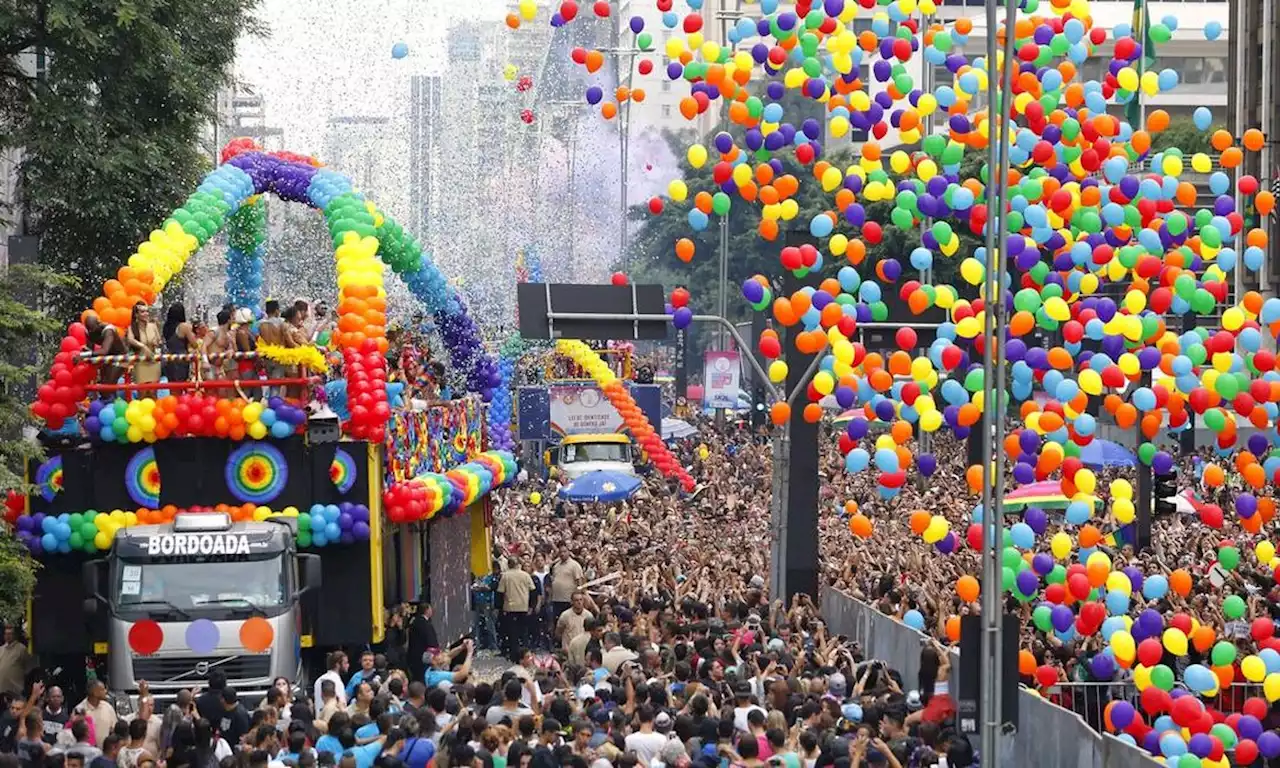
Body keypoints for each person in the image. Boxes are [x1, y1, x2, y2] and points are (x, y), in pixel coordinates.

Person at [497, 559, 535, 661]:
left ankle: (514, 655)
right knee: (523, 633)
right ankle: (525, 654)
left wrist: (500, 608)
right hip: (523, 607)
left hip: (510, 608)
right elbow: (533, 591)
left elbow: (500, 593)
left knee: (512, 633)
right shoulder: (526, 575)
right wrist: (531, 606)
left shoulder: (505, 576)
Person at [126, 303, 163, 384]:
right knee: (142, 392)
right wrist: (143, 346)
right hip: (140, 363)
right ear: (136, 315)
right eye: (142, 312)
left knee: (153, 392)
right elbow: (130, 340)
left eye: (147, 311)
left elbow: (159, 341)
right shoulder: (131, 328)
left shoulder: (153, 326)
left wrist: (157, 342)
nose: (146, 314)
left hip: (153, 362)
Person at [162, 303, 198, 383]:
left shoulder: (166, 326)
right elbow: (195, 344)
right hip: (181, 359)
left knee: (172, 385)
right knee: (181, 384)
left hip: (169, 358)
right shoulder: (184, 326)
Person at [76, 680, 118, 748]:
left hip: (105, 753)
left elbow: (114, 730)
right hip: (87, 753)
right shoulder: (79, 710)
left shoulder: (108, 707)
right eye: (103, 689)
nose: (106, 691)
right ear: (95, 693)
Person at [405, 604, 438, 685]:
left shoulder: (414, 622)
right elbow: (431, 642)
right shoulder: (426, 624)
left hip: (413, 655)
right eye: (430, 609)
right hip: (423, 657)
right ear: (427, 610)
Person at [0, 625, 32, 699]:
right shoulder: (1, 649)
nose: (8, 636)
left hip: (15, 690)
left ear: (14, 635)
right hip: (1, 689)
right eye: (6, 634)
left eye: (10, 634)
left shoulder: (21, 649)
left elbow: (28, 667)